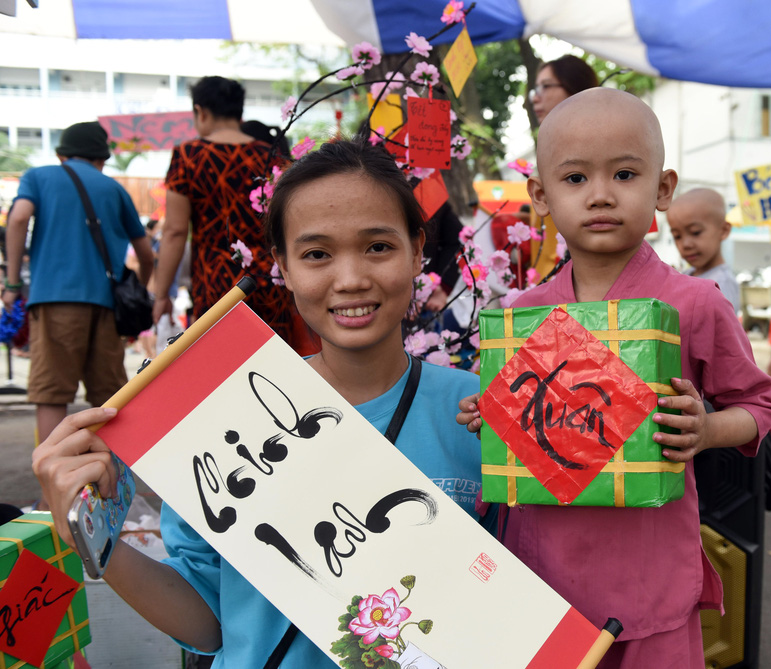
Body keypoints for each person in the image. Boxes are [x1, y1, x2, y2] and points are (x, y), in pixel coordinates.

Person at [32, 139, 495, 667]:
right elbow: (207, 622)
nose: (351, 279)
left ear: (416, 251)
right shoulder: (224, 421)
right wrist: (99, 543)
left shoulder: (478, 414)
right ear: (283, 266)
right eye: (316, 254)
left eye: (377, 247)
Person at [457, 88, 771, 668]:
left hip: (648, 570)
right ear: (542, 196)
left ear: (662, 189)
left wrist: (706, 429)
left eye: (625, 174)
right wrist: (490, 415)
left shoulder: (694, 303)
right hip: (543, 570)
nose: (601, 194)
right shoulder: (522, 313)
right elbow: (523, 427)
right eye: (575, 178)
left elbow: (760, 406)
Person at [3, 121, 153, 451]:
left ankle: (50, 478)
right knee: (110, 399)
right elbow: (145, 254)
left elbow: (18, 218)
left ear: (62, 155)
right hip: (107, 307)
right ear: (102, 158)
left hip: (53, 300)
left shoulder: (38, 177)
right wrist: (136, 292)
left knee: (52, 394)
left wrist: (12, 282)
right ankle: (117, 479)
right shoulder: (114, 189)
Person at [152, 76, 316, 356]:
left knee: (219, 367)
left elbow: (175, 232)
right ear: (239, 111)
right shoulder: (270, 156)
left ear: (200, 111)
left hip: (215, 288)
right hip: (270, 283)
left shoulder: (188, 155)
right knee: (273, 369)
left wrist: (161, 294)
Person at [527, 55, 600, 278]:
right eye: (535, 89)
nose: (535, 98)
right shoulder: (550, 148)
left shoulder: (604, 145)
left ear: (575, 88)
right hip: (548, 284)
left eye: (546, 86)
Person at [666, 188, 740, 313]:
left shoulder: (722, 284)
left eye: (695, 232)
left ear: (724, 230)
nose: (685, 244)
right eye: (677, 236)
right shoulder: (687, 274)